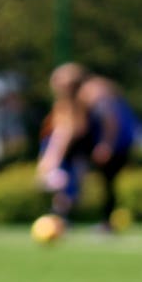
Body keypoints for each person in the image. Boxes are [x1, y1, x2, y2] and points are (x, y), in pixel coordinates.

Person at [79, 75, 138, 231]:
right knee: (110, 186)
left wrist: (105, 145)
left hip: (114, 150)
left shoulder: (104, 104)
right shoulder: (115, 102)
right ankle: (108, 221)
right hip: (121, 148)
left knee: (108, 186)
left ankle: (107, 222)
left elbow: (111, 124)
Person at [36, 62, 93, 221]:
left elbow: (64, 134)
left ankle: (59, 220)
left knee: (63, 191)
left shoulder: (68, 106)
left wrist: (51, 159)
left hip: (64, 155)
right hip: (69, 155)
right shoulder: (77, 105)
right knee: (66, 191)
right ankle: (60, 219)